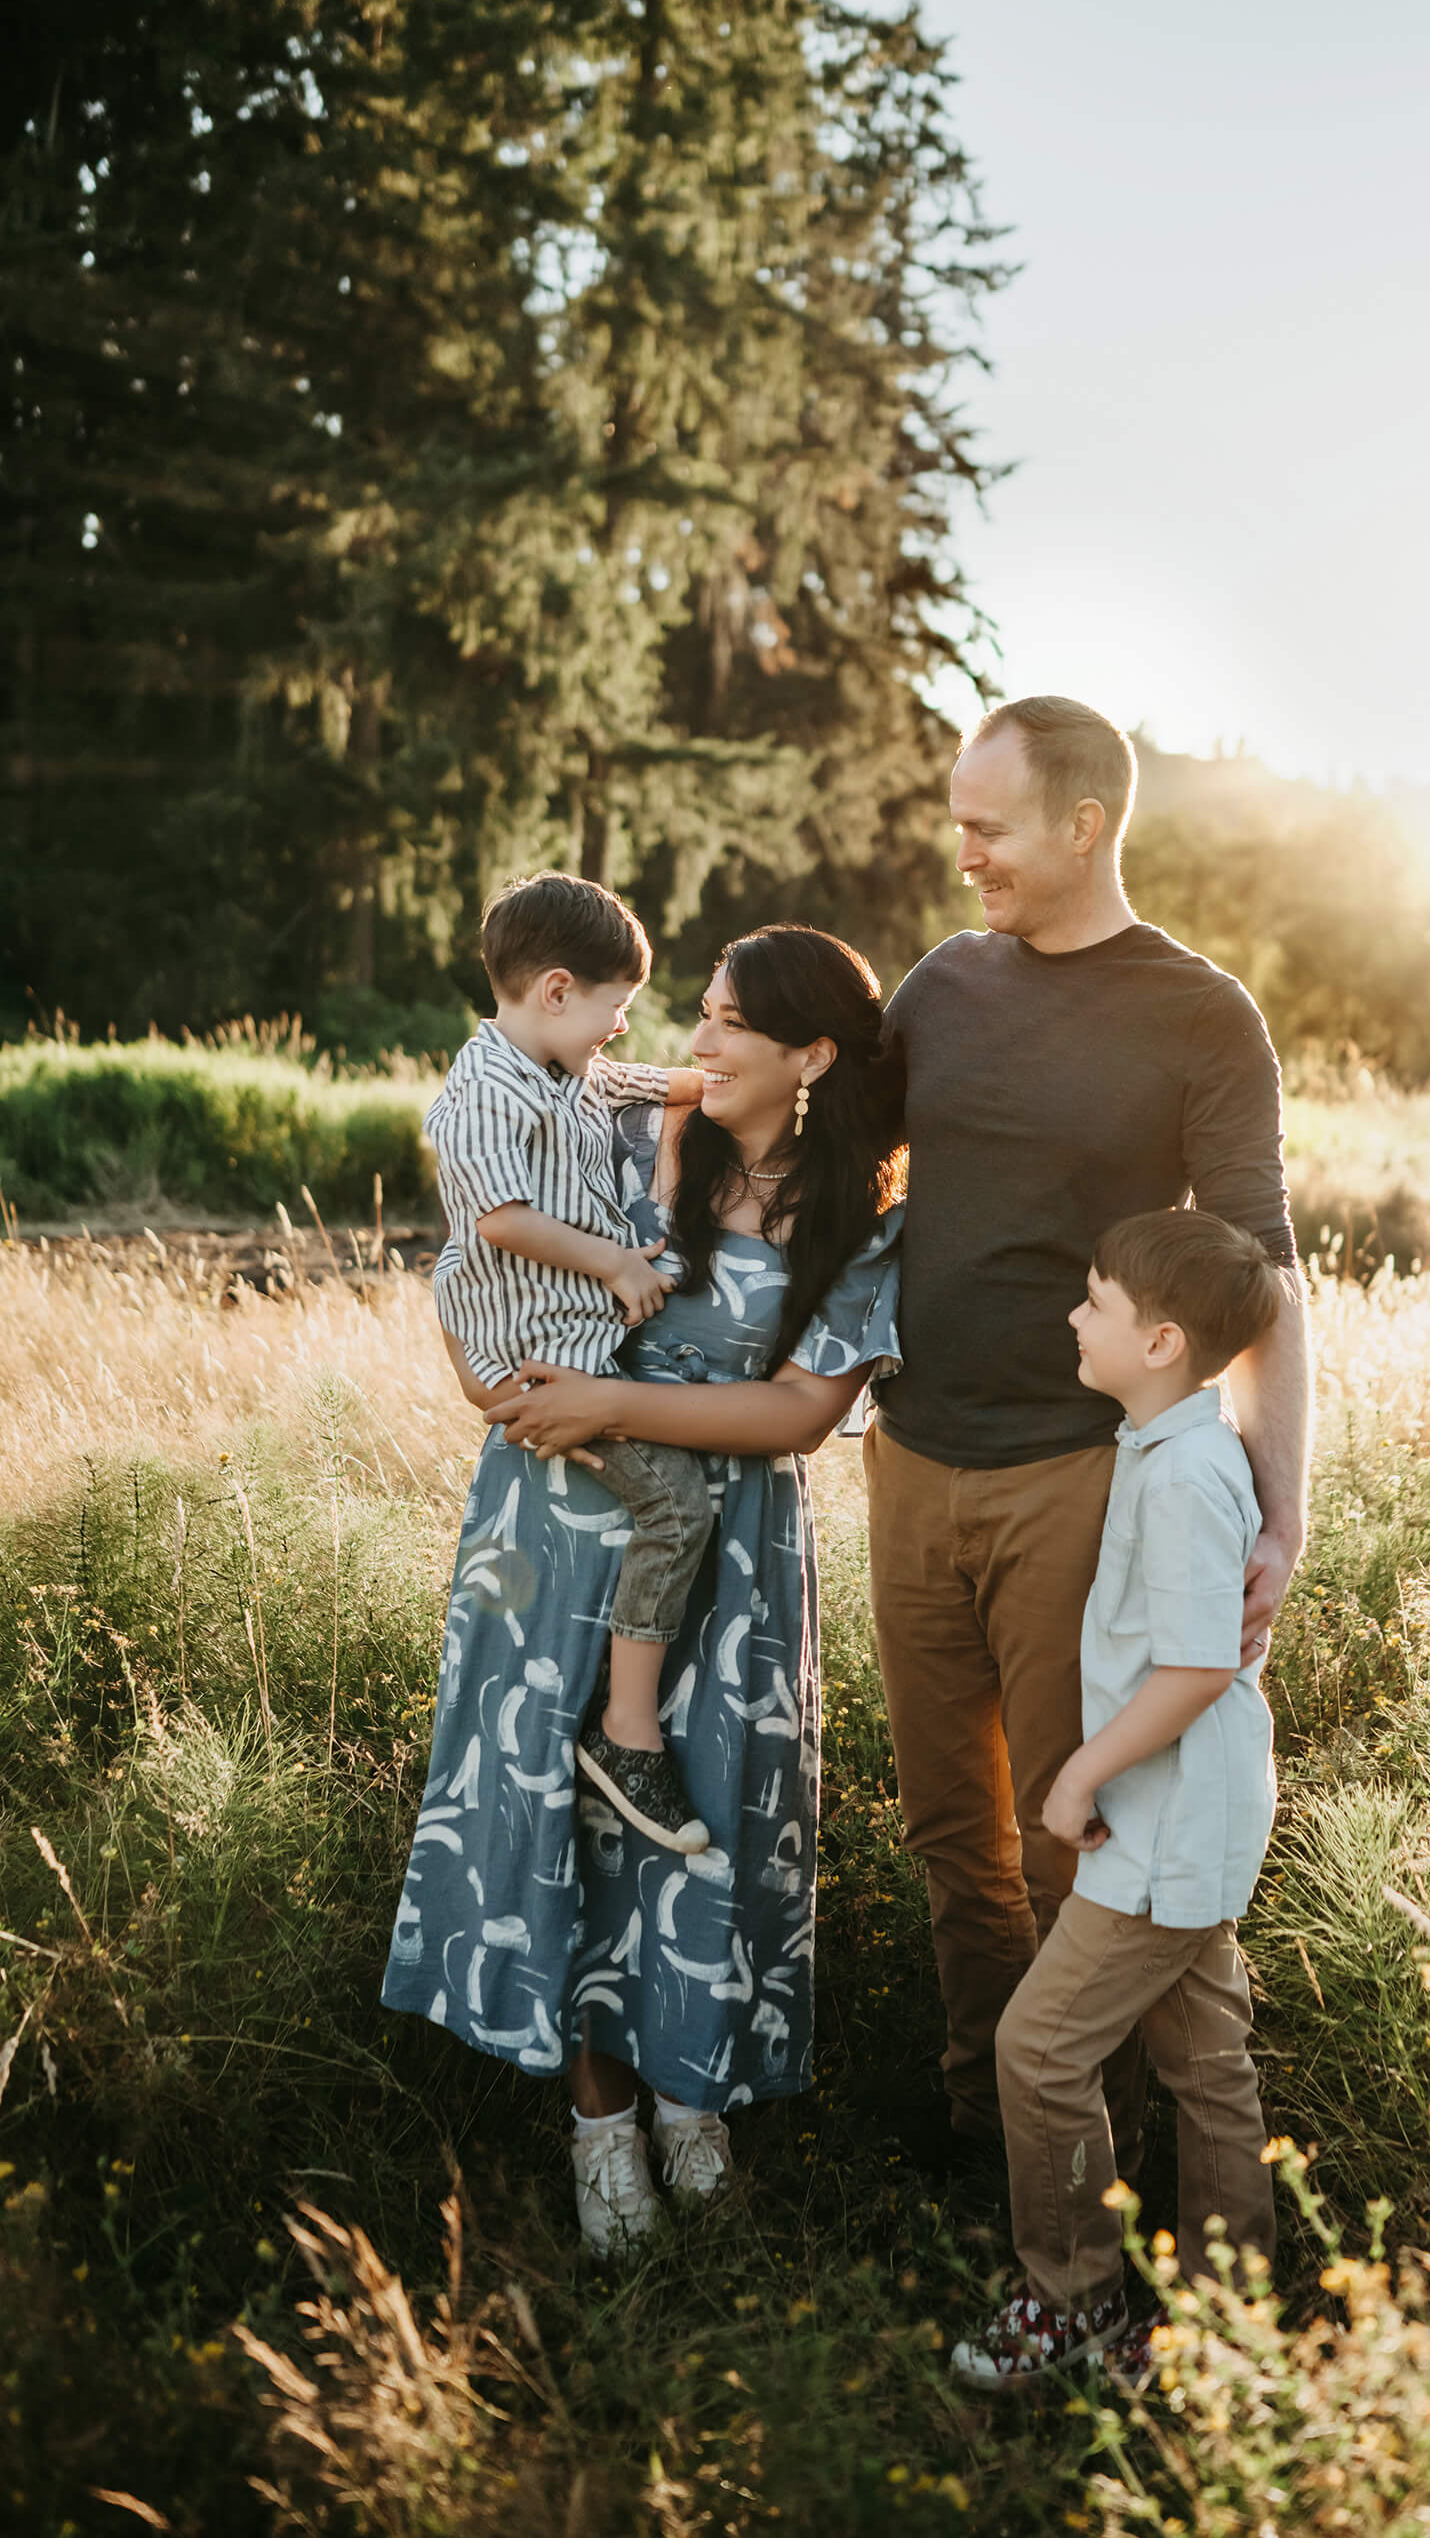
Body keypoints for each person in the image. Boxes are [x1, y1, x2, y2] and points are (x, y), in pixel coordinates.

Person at [382, 924, 905, 2254]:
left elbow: (799, 1411)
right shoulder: (618, 1137)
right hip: (554, 1521)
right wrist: (483, 1379)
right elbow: (479, 1249)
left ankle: (691, 2104)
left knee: (705, 1817)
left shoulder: (860, 1221)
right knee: (566, 1820)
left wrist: (614, 1394)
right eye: (703, 1012)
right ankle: (598, 2126)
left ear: (811, 1056)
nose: (700, 1037)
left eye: (731, 1022)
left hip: (727, 1553)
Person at [866, 694, 1310, 2167]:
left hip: (1071, 1481)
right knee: (951, 1846)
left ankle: (1087, 2189)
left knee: (1077, 1845)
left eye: (985, 827)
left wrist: (1278, 1510)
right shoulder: (938, 984)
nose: (963, 851)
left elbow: (1260, 1279)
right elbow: (812, 1162)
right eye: (956, 821)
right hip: (906, 1459)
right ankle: (979, 2149)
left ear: (1081, 823)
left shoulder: (1196, 1012)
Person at [952, 1208, 1285, 2390]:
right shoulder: (1166, 1445)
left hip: (1166, 1829)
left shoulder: (1188, 1472)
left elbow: (1197, 1666)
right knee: (1209, 2066)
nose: (1073, 1315)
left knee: (1038, 2051)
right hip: (1187, 1823)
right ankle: (1223, 2318)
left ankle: (1072, 2298)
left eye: (1094, 1300)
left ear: (1161, 1343)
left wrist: (1083, 1771)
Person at [424, 870, 714, 1853]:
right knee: (676, 1507)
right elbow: (500, 1220)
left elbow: (623, 1084)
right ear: (555, 990)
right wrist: (615, 1263)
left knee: (667, 1507)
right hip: (542, 1363)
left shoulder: (556, 1066)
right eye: (613, 1009)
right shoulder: (478, 1096)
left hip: (570, 1347)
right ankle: (626, 1732)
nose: (619, 1030)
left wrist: (710, 1083)